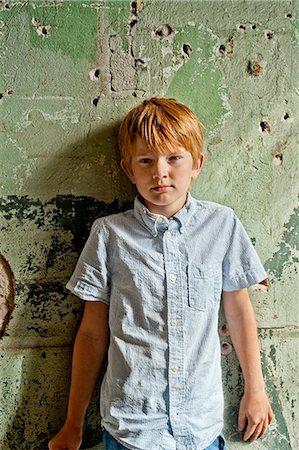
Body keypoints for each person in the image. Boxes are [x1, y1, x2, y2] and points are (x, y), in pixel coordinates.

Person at [48, 97, 273, 450]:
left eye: (174, 158)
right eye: (146, 161)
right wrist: (74, 423)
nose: (160, 172)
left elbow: (240, 312)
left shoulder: (222, 225)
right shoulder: (109, 235)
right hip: (131, 428)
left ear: (197, 163)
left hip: (201, 427)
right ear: (128, 170)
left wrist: (255, 390)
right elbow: (92, 333)